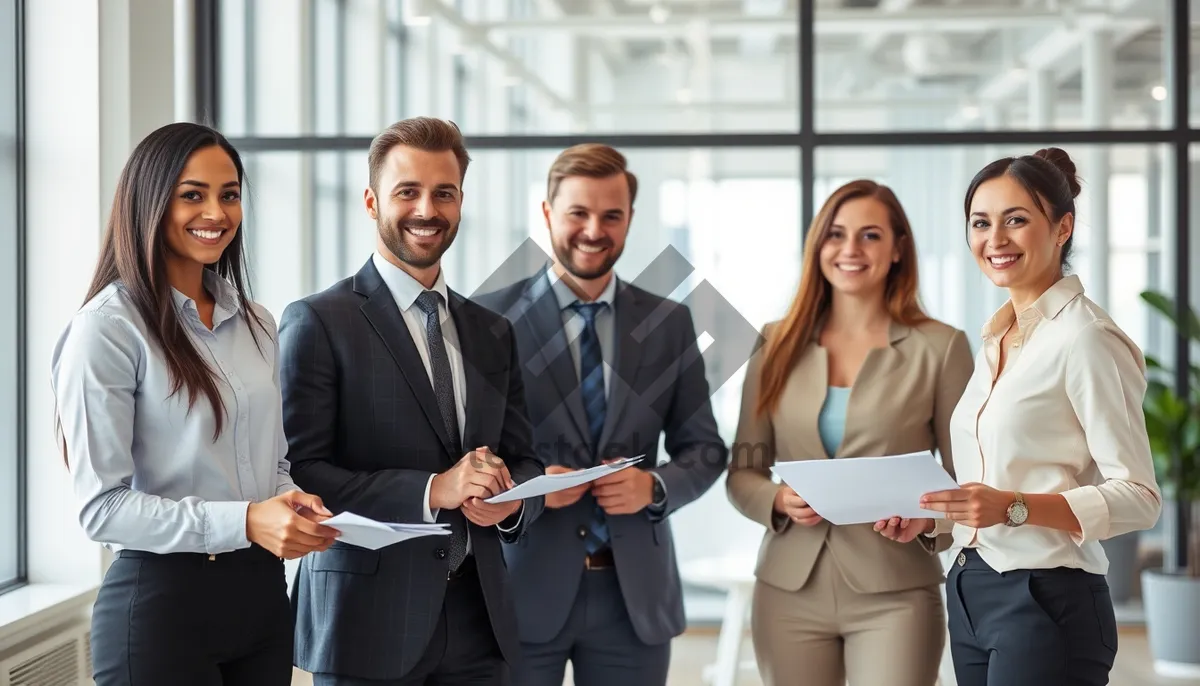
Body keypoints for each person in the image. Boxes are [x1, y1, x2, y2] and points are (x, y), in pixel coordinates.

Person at [50, 122, 339, 686]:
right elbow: (102, 508)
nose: (217, 212)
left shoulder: (257, 322)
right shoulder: (107, 330)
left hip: (261, 600)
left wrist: (291, 502)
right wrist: (249, 519)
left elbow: (273, 463)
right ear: (150, 202)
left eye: (229, 194)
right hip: (162, 610)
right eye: (193, 194)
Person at [877, 148, 1162, 686]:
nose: (995, 240)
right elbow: (1000, 487)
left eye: (1016, 220)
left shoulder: (1087, 339)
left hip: (1047, 595)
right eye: (981, 223)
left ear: (1062, 228)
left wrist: (1012, 507)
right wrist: (938, 519)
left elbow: (1140, 498)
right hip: (970, 587)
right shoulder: (996, 339)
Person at [281, 117, 546, 686]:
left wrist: (512, 505)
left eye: (443, 193)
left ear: (460, 202)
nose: (427, 209)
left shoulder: (491, 331)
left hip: (480, 617)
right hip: (365, 621)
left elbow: (526, 460)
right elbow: (301, 471)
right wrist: (435, 490)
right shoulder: (318, 322)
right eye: (408, 191)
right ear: (373, 201)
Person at [475, 144, 727, 686]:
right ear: (546, 213)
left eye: (611, 215)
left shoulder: (668, 323)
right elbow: (468, 451)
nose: (594, 230)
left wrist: (654, 486)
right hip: (521, 589)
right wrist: (532, 488)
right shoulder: (487, 319)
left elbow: (704, 449)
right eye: (578, 213)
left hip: (632, 598)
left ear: (631, 218)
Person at [727, 179, 974, 686]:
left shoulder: (941, 347)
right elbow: (743, 471)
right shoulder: (774, 343)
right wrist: (776, 500)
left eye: (870, 236)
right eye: (836, 235)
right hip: (789, 591)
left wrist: (928, 522)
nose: (850, 250)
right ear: (818, 245)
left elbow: (968, 478)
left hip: (896, 591)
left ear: (898, 248)